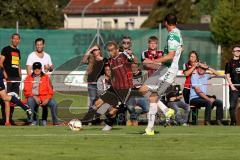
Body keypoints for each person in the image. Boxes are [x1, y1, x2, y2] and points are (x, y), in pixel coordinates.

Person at [138, 13, 183, 135]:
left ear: (165, 23)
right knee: (143, 90)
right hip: (164, 69)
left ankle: (150, 129)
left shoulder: (172, 36)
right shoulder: (178, 32)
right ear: (176, 23)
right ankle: (165, 110)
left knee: (152, 97)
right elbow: (181, 49)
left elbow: (170, 56)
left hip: (168, 71)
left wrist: (153, 61)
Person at [82, 41, 134, 131]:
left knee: (112, 112)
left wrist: (130, 54)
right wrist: (91, 50)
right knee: (97, 103)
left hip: (124, 90)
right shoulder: (109, 60)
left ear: (117, 50)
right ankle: (86, 121)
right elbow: (97, 58)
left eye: (112, 50)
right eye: (109, 51)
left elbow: (132, 59)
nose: (110, 53)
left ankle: (114, 118)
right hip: (114, 88)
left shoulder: (123, 56)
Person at [0, 33, 22, 124]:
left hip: (16, 79)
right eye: (14, 39)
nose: (16, 40)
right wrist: (5, 76)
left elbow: (17, 65)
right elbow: (0, 63)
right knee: (6, 99)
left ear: (19, 40)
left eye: (18, 39)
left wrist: (20, 76)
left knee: (14, 100)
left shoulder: (18, 51)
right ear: (11, 39)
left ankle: (10, 119)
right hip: (7, 78)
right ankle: (5, 119)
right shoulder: (5, 49)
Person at [82, 44, 106, 109]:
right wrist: (90, 50)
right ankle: (90, 118)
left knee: (100, 102)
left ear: (99, 51)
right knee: (92, 101)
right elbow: (83, 61)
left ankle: (97, 117)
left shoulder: (104, 60)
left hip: (100, 84)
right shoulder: (91, 59)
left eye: (96, 50)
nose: (95, 51)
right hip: (91, 83)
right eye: (93, 50)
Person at [225, 44, 240, 125]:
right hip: (234, 87)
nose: (238, 52)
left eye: (239, 51)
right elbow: (227, 75)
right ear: (233, 52)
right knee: (232, 106)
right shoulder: (229, 63)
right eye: (236, 51)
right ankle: (233, 122)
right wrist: (231, 86)